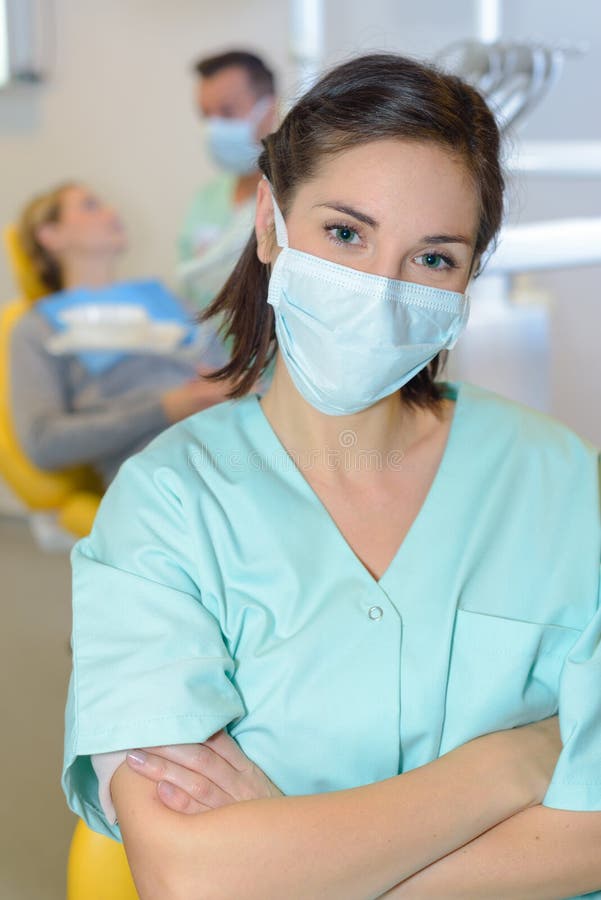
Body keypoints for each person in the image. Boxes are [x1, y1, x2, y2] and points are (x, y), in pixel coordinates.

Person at [63, 54, 601, 899]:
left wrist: (293, 867)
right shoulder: (167, 508)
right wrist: (508, 766)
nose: (378, 288)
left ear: (469, 276)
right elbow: (189, 876)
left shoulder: (564, 484)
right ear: (271, 225)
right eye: (345, 233)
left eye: (433, 258)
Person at [10, 183, 232, 486]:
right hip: (157, 471)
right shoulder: (37, 328)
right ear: (50, 235)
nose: (111, 212)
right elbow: (43, 443)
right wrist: (165, 409)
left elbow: (227, 379)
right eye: (90, 205)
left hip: (230, 447)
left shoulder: (171, 303)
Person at [178, 49, 278, 312]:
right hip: (212, 352)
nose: (214, 128)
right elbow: (192, 297)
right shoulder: (205, 200)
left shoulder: (294, 196)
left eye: (227, 111)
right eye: (206, 115)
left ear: (269, 109)